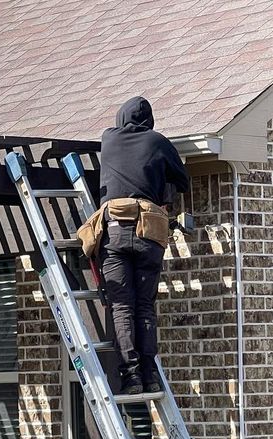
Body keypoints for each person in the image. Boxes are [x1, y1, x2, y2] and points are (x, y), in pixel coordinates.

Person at [96, 96, 190, 395]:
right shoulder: (158, 141)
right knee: (145, 306)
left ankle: (131, 376)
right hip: (150, 230)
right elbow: (183, 180)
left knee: (122, 305)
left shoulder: (108, 139)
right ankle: (150, 375)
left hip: (115, 230)